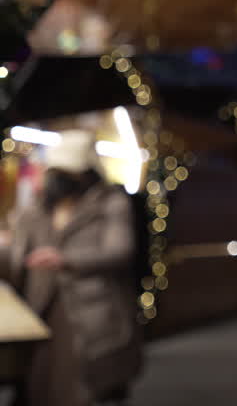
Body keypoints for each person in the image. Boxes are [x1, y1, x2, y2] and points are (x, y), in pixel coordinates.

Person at [2, 130, 143, 406]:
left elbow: (119, 250)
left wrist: (66, 259)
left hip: (92, 309)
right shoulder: (38, 208)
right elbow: (18, 255)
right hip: (41, 307)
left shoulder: (110, 203)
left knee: (81, 382)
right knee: (39, 381)